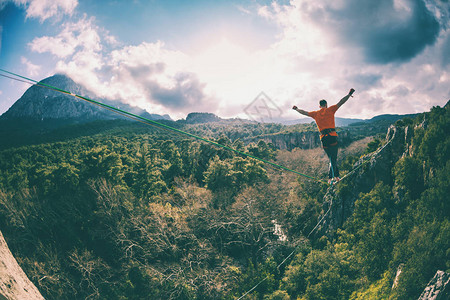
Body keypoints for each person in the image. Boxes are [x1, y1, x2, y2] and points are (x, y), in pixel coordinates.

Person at [292, 88, 355, 184]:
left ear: (319, 106)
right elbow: (341, 102)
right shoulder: (330, 110)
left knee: (331, 158)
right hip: (332, 136)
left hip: (323, 139)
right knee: (333, 158)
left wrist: (296, 109)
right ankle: (331, 179)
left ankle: (336, 177)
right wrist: (349, 94)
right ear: (326, 105)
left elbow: (304, 112)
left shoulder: (315, 114)